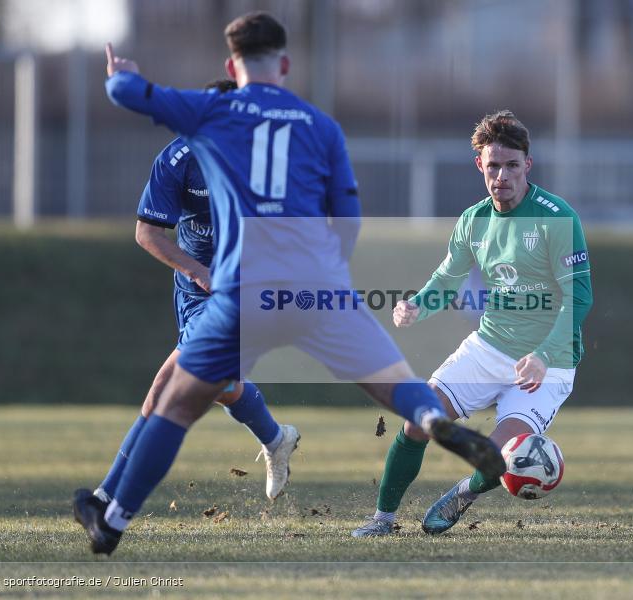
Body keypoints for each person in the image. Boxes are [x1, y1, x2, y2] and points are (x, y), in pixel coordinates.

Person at [73, 11, 504, 555]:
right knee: (393, 380)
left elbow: (129, 94)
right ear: (284, 65)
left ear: (232, 66)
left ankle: (112, 521)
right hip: (318, 285)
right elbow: (347, 218)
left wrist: (120, 74)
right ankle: (433, 419)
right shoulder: (320, 125)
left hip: (242, 292)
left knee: (174, 405)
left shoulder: (212, 110)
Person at [351, 110, 593, 537]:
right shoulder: (473, 220)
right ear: (479, 164)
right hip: (488, 348)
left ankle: (463, 493)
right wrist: (417, 305)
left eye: (512, 165)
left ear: (528, 165)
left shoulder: (556, 218)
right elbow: (448, 278)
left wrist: (543, 354)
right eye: (493, 165)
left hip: (548, 364)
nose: (502, 175)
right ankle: (382, 520)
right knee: (417, 419)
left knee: (497, 458)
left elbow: (579, 297)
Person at [84, 79, 299, 514]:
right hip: (195, 291)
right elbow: (147, 233)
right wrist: (199, 272)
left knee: (166, 386)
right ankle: (277, 439)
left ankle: (107, 497)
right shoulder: (178, 158)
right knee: (222, 386)